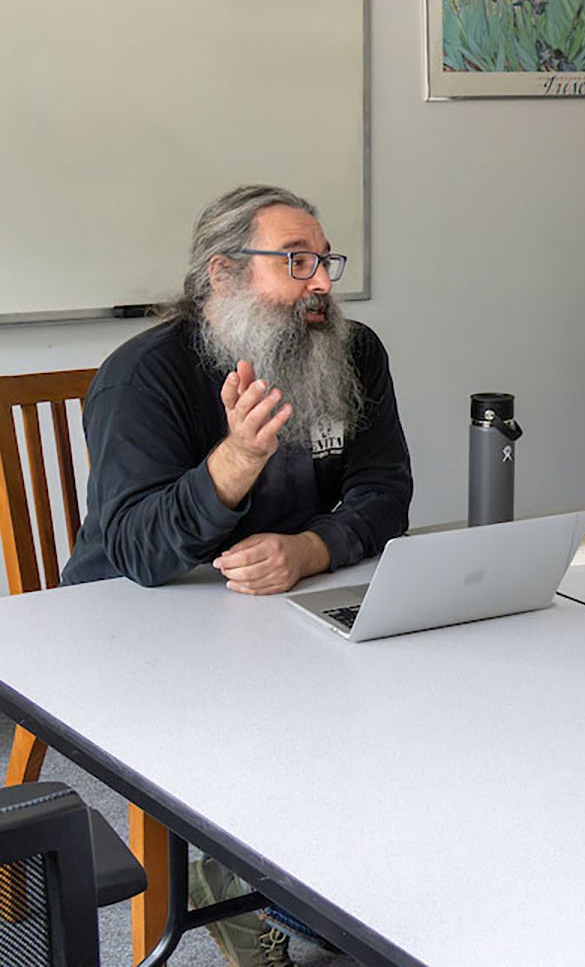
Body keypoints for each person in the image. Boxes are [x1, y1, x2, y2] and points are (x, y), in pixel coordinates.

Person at [63, 183, 413, 964]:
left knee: (417, 686)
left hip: (287, 607)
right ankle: (248, 908)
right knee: (236, 731)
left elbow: (386, 493)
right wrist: (237, 461)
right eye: (296, 262)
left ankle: (353, 889)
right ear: (222, 275)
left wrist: (313, 549)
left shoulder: (354, 353)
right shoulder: (143, 376)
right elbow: (136, 550)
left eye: (324, 259)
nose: (322, 281)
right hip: (134, 622)